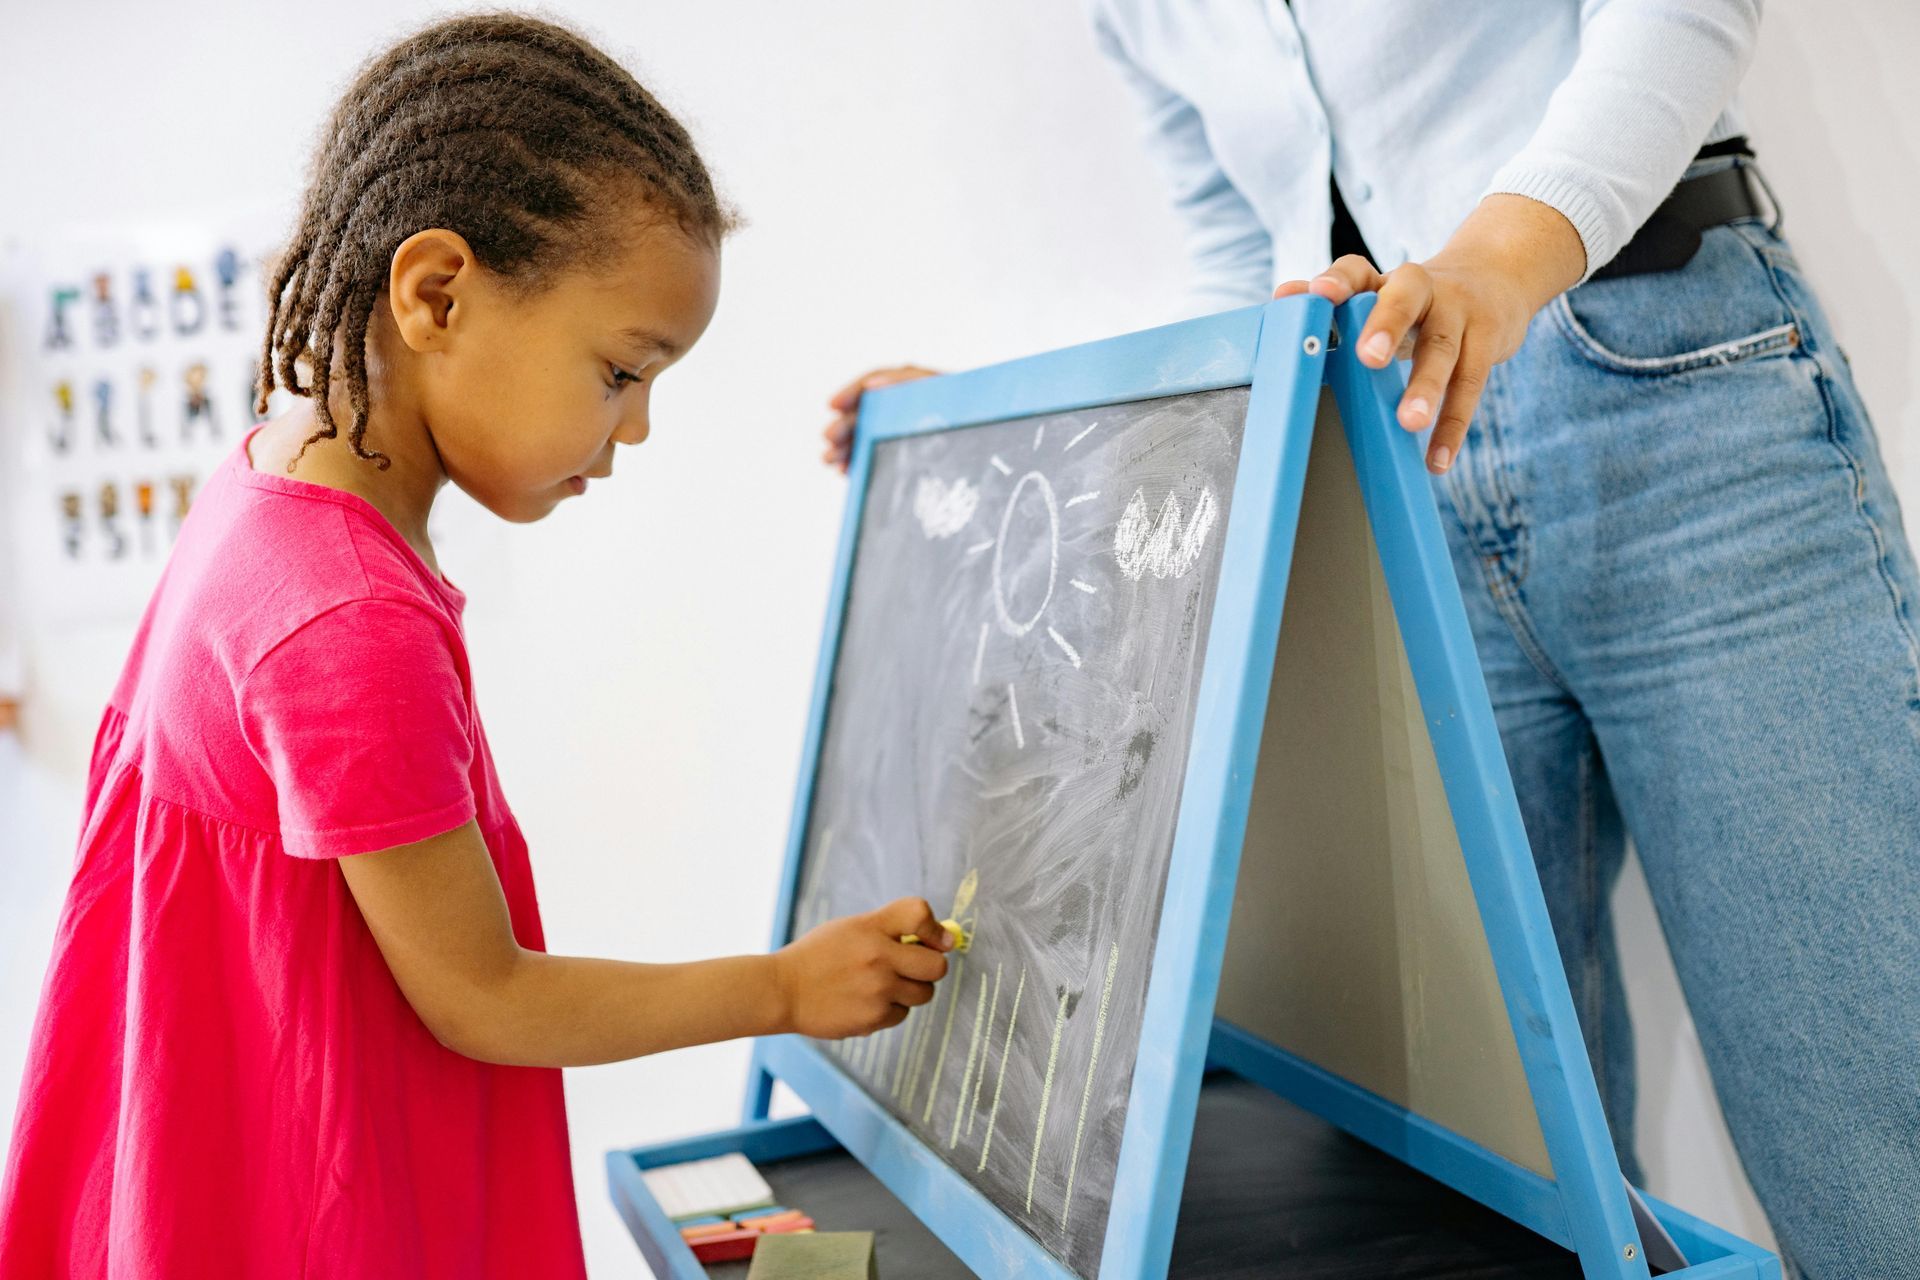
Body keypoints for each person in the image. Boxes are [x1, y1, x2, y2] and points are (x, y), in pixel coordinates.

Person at [821, 4, 1920, 1277]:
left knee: (1865, 1120)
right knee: (1507, 1186)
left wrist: (1496, 260)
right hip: (1391, 465)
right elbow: (1242, 255)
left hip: (1668, 392)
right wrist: (1005, 442)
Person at [0, 14, 956, 1278]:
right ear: (436, 293)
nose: (636, 427)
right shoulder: (345, 616)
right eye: (620, 371)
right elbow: (484, 995)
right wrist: (781, 988)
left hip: (214, 1166)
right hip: (309, 1211)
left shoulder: (273, 486)